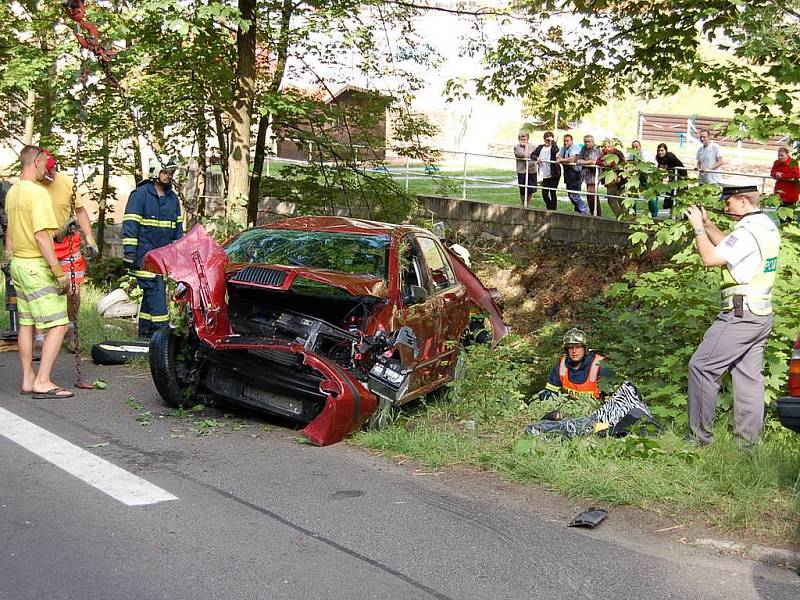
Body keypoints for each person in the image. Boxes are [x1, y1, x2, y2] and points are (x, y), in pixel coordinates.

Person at [684, 188, 780, 447]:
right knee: (748, 379)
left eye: (729, 203)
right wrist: (710, 224)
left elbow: (710, 258)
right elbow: (732, 247)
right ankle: (747, 445)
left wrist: (698, 229)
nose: (726, 208)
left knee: (702, 367)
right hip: (761, 314)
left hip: (740, 313)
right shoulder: (765, 226)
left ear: (743, 200)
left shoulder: (747, 231)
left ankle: (698, 440)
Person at [4, 145, 72, 398]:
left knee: (27, 323)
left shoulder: (13, 192)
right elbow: (42, 235)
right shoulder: (38, 193)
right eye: (45, 163)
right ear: (36, 162)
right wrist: (58, 271)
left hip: (19, 264)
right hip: (35, 266)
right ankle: (43, 380)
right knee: (59, 324)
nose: (47, 168)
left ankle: (28, 378)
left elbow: (13, 229)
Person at [525, 328, 655, 437]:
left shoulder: (599, 366)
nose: (574, 351)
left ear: (585, 348)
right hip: (570, 411)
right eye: (570, 348)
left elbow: (616, 399)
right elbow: (548, 393)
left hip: (598, 413)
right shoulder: (561, 366)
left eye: (577, 347)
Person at [38, 150, 99, 352]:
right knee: (45, 292)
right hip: (42, 244)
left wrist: (89, 237)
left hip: (68, 245)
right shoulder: (32, 186)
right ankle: (43, 335)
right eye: (48, 170)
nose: (52, 173)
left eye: (54, 168)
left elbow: (80, 211)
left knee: (74, 290)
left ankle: (72, 329)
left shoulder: (65, 183)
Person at [122, 157, 183, 338]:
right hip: (143, 254)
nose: (169, 176)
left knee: (152, 293)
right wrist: (130, 252)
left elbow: (177, 229)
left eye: (171, 173)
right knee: (156, 290)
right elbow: (130, 224)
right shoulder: (140, 195)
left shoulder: (173, 199)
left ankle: (145, 334)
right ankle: (162, 335)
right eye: (165, 172)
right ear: (156, 172)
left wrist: (178, 254)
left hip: (162, 255)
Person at [652, 143, 688, 218]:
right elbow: (660, 168)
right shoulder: (658, 157)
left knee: (681, 195)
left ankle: (684, 214)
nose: (660, 152)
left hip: (681, 175)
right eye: (658, 150)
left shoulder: (670, 156)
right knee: (671, 195)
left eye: (662, 150)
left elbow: (674, 166)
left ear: (666, 150)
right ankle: (672, 213)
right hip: (671, 176)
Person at [556, 134, 588, 214]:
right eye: (564, 141)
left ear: (571, 141)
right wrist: (562, 159)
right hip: (568, 174)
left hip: (575, 173)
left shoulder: (575, 147)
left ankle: (584, 210)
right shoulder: (564, 148)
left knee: (574, 195)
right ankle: (578, 209)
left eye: (567, 141)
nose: (566, 142)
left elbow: (572, 159)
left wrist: (562, 160)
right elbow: (558, 156)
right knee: (570, 194)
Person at [596, 139, 627, 218]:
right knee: (611, 200)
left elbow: (622, 164)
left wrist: (611, 165)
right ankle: (619, 217)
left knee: (622, 200)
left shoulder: (618, 153)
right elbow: (598, 161)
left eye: (608, 146)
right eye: (605, 146)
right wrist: (603, 163)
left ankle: (625, 216)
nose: (606, 148)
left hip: (620, 180)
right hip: (609, 181)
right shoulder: (603, 153)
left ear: (613, 146)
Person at [531, 131, 561, 211]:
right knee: (544, 194)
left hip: (554, 173)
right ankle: (549, 207)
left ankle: (553, 210)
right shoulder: (540, 147)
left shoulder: (554, 147)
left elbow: (556, 151)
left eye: (550, 140)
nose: (548, 142)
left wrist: (553, 142)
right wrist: (537, 158)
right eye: (547, 140)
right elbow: (532, 155)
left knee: (552, 192)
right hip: (544, 173)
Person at [577, 135, 602, 215]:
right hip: (586, 175)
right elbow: (579, 158)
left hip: (594, 175)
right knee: (590, 195)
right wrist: (581, 161)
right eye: (585, 142)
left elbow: (593, 161)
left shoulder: (596, 149)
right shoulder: (583, 149)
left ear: (593, 142)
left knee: (591, 194)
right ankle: (593, 213)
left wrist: (584, 162)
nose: (587, 143)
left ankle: (597, 214)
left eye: (589, 141)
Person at [770, 146, 800, 211]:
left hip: (790, 192)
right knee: (779, 212)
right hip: (779, 191)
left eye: (782, 155)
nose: (780, 157)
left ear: (787, 154)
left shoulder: (793, 162)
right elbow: (772, 172)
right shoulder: (776, 162)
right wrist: (776, 174)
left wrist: (782, 175)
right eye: (779, 155)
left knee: (789, 213)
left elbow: (796, 175)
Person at [513, 131, 536, 208]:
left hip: (531, 170)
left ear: (527, 138)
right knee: (522, 189)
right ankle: (523, 205)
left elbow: (536, 155)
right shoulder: (517, 147)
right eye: (521, 138)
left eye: (524, 138)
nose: (523, 140)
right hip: (522, 171)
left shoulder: (533, 146)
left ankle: (528, 205)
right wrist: (526, 146)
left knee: (530, 189)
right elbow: (525, 156)